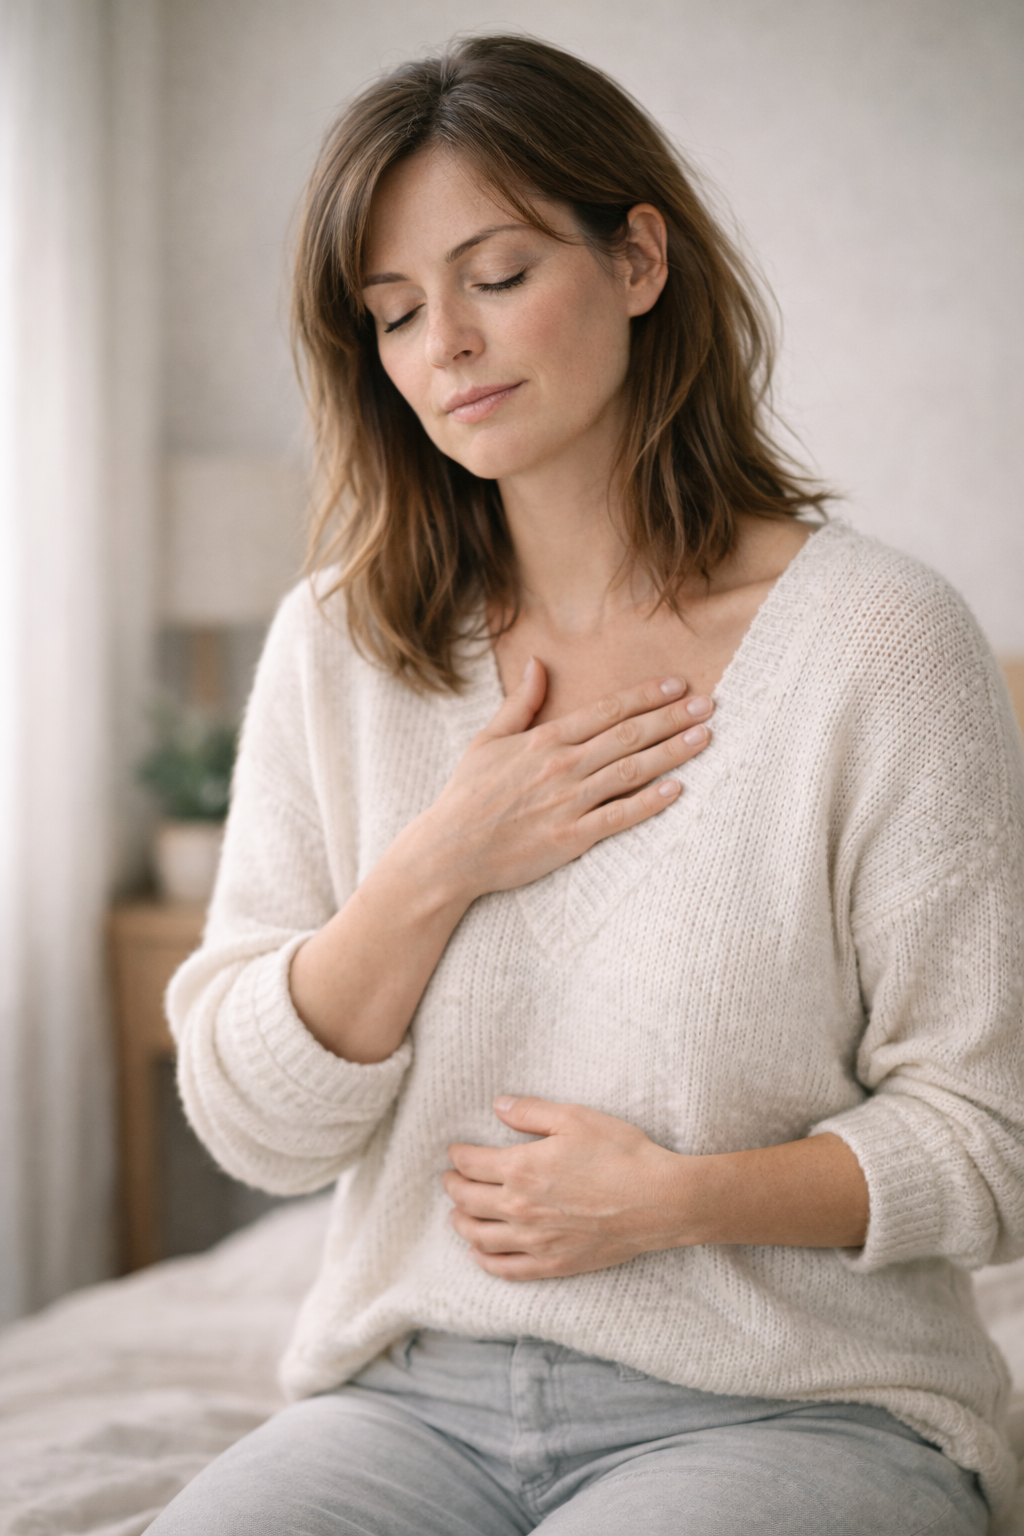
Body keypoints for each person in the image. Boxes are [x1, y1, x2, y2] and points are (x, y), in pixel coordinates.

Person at [150, 34, 1024, 1536]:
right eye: (397, 313)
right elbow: (253, 1124)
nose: (449, 348)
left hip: (795, 1402)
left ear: (637, 258)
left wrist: (681, 1203)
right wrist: (444, 859)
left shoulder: (880, 640)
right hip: (406, 1401)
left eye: (495, 276)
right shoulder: (342, 643)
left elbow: (991, 1132)